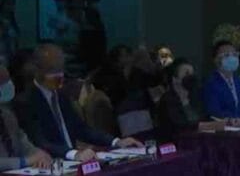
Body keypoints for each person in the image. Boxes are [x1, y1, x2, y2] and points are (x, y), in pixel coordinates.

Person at [14, 44, 143, 160]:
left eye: (61, 69)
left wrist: (116, 142)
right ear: (38, 70)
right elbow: (39, 142)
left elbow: (82, 129)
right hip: (51, 163)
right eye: (53, 70)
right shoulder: (25, 102)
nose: (59, 75)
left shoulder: (62, 95)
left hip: (73, 161)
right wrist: (74, 154)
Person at [0, 65, 52, 172]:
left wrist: (39, 154)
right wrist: (25, 161)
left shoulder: (7, 115)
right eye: (2, 82)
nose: (8, 85)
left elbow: (24, 143)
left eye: (8, 80)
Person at [202, 41, 240, 126]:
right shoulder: (211, 84)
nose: (232, 58)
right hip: (224, 130)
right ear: (216, 60)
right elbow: (214, 113)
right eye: (227, 55)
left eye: (234, 54)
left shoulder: (238, 81)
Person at [155, 58, 202, 142]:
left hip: (197, 140)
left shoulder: (195, 96)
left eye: (192, 73)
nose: (191, 77)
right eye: (186, 73)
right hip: (175, 143)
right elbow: (180, 127)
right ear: (175, 79)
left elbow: (203, 117)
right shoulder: (167, 100)